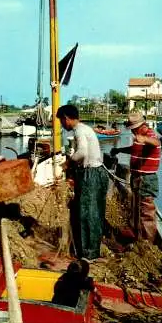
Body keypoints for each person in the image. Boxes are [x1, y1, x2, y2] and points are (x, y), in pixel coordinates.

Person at [56, 104, 109, 262]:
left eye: (61, 121)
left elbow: (82, 152)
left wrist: (68, 163)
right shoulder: (85, 128)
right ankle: (94, 250)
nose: (62, 125)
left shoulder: (79, 130)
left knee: (87, 214)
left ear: (66, 118)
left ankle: (87, 255)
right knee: (96, 213)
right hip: (99, 172)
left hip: (90, 175)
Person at [110, 112, 161, 244]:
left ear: (140, 126)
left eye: (133, 129)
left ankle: (148, 244)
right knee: (136, 209)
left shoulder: (149, 134)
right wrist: (120, 150)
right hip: (137, 177)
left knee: (146, 212)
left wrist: (144, 139)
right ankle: (138, 238)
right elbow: (134, 149)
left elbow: (156, 142)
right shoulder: (138, 138)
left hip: (146, 179)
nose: (132, 132)